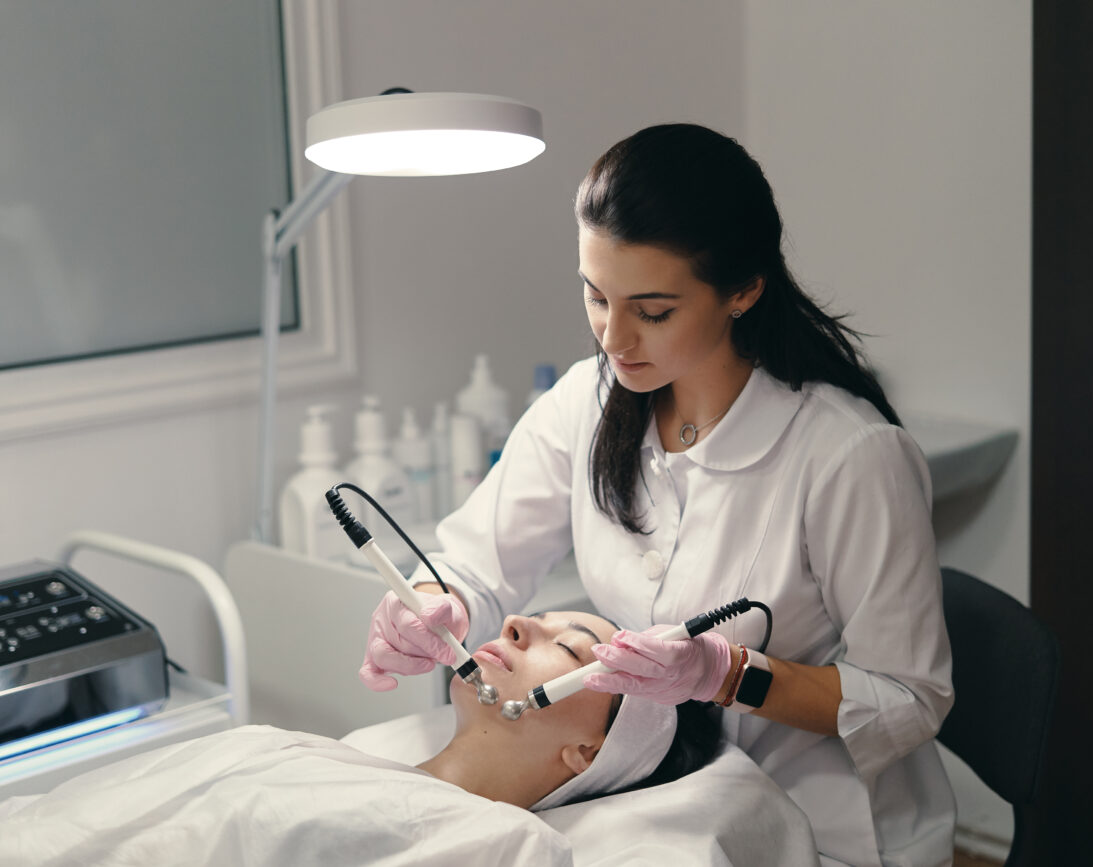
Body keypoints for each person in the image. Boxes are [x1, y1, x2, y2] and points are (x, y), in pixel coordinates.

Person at [360, 123, 955, 866]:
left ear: (742, 289)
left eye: (653, 310)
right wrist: (430, 604)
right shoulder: (589, 401)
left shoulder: (849, 457)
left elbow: (909, 698)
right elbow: (479, 565)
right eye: (594, 295)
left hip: (812, 822)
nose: (614, 338)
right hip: (645, 802)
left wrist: (728, 673)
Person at [0, 611, 719, 867]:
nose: (521, 619)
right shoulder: (323, 753)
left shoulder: (505, 844)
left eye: (567, 650)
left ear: (586, 754)